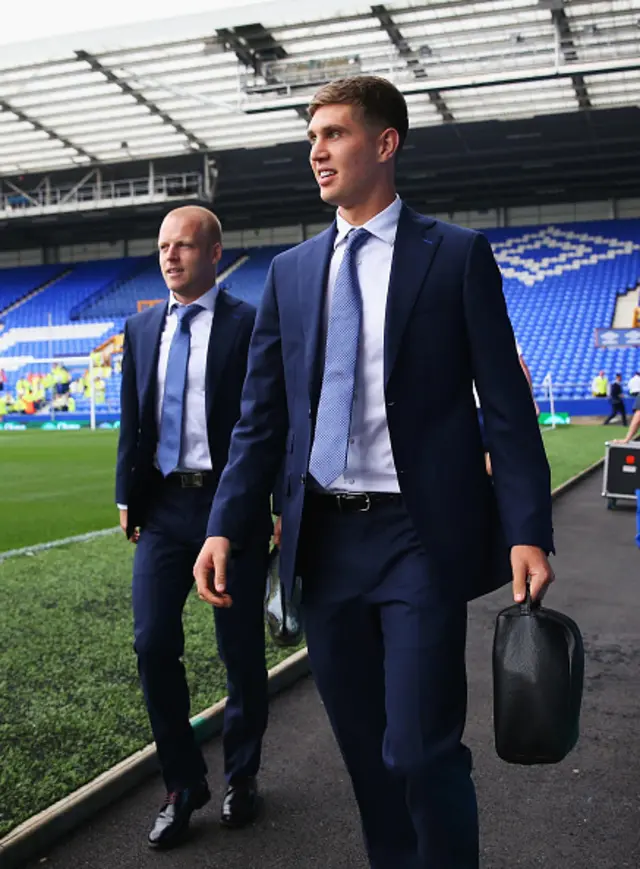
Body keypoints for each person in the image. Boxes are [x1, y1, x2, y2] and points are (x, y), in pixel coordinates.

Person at [193, 76, 554, 869]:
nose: (316, 151)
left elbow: (505, 405)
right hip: (322, 544)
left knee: (420, 747)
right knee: (365, 753)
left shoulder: (456, 255)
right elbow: (260, 421)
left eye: (334, 134)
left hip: (416, 537)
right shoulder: (288, 274)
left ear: (385, 143)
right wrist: (224, 521)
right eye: (311, 137)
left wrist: (528, 530)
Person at [115, 206, 272, 850]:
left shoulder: (252, 323)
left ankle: (243, 776)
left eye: (183, 246)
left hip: (229, 510)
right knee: (152, 644)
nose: (170, 256)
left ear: (215, 253)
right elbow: (134, 417)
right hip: (163, 512)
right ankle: (183, 785)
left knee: (239, 653)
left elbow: (270, 424)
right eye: (162, 246)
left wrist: (276, 507)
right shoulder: (141, 325)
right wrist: (128, 494)